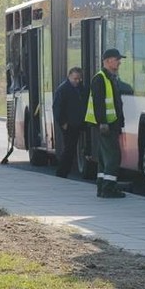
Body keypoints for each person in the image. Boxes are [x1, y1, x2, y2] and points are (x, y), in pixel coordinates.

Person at [85, 49, 127, 198]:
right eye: (117, 59)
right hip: (106, 125)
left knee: (104, 158)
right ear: (108, 61)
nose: (119, 62)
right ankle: (109, 188)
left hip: (111, 124)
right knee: (113, 157)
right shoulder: (100, 79)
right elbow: (99, 103)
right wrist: (103, 123)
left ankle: (102, 187)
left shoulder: (110, 78)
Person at [53, 67, 88, 178]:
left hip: (78, 123)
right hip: (68, 125)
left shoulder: (81, 89)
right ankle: (62, 172)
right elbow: (57, 108)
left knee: (72, 148)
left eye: (79, 79)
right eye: (75, 79)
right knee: (69, 148)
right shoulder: (63, 89)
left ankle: (64, 171)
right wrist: (63, 122)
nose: (77, 81)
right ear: (69, 77)